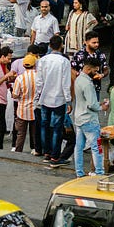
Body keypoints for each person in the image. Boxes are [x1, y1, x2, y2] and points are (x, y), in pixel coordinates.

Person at [36, 35, 72, 166]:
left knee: (44, 125)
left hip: (45, 98)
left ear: (50, 46)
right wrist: (68, 100)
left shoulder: (43, 60)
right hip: (59, 98)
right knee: (57, 128)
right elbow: (65, 83)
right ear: (61, 46)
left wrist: (38, 96)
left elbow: (39, 81)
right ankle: (55, 157)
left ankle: (47, 152)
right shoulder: (64, 61)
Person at [74, 57, 107, 178]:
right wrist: (102, 107)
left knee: (79, 147)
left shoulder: (78, 79)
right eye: (95, 70)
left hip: (79, 118)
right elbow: (92, 104)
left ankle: (79, 172)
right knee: (96, 147)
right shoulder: (88, 84)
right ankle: (99, 172)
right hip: (89, 119)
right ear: (88, 69)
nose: (96, 73)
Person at [11, 54, 39, 153]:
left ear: (24, 66)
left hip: (22, 109)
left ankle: (18, 150)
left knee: (21, 133)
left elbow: (15, 95)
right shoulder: (39, 77)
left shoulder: (20, 78)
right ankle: (36, 149)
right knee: (35, 132)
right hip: (35, 109)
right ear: (34, 64)